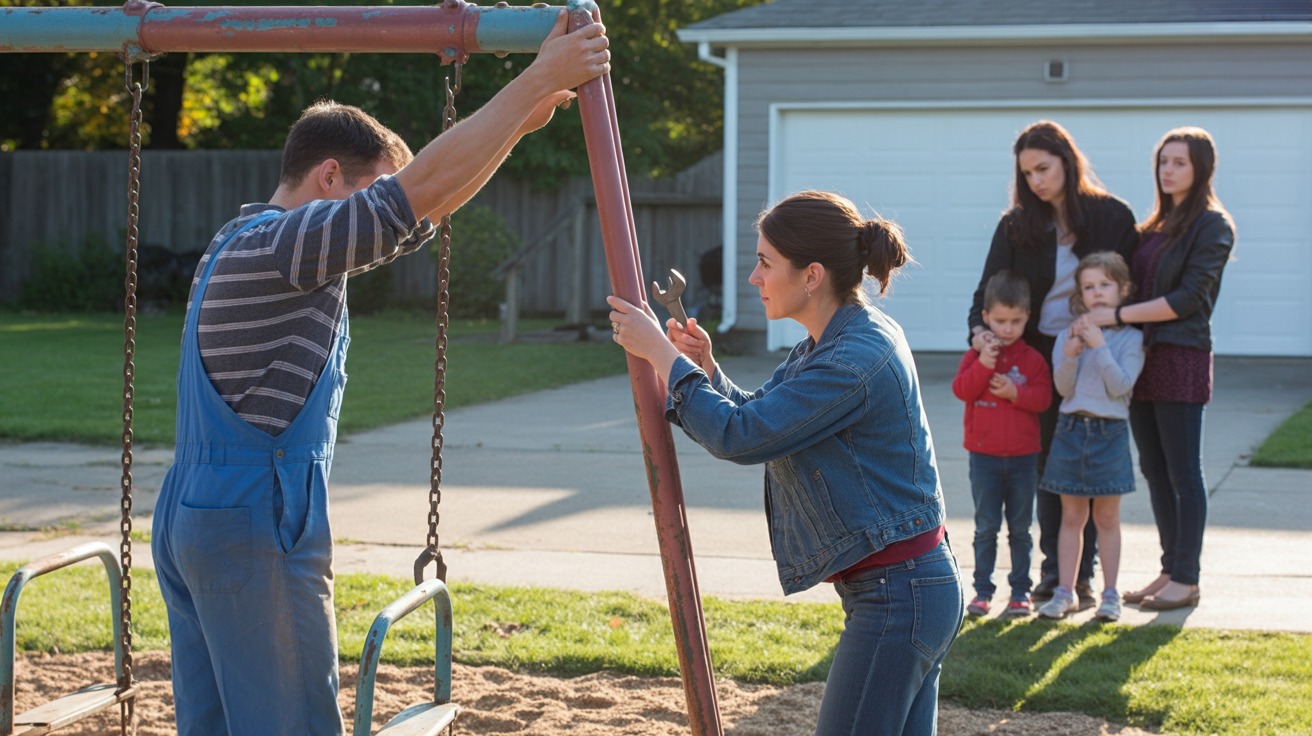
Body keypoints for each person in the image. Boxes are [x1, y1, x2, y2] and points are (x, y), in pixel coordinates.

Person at [150, 13, 610, 736]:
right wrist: (537, 77)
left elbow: (427, 201)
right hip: (253, 514)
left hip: (201, 507)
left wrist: (519, 120)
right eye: (369, 191)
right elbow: (413, 195)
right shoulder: (284, 246)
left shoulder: (245, 239)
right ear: (329, 175)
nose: (381, 214)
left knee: (216, 723)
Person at [607, 190, 963, 735]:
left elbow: (739, 436)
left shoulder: (852, 358)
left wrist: (664, 355)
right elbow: (764, 415)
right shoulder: (833, 340)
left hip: (900, 595)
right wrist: (705, 368)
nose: (754, 277)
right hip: (910, 587)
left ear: (812, 274)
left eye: (765, 262)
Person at [968, 120, 1138, 611]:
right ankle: (1055, 577)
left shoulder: (1111, 217)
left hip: (1094, 353)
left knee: (1087, 474)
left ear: (1067, 160)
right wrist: (977, 332)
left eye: (1044, 168)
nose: (1037, 180)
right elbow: (987, 289)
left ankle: (1082, 581)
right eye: (1028, 173)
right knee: (1048, 467)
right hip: (1039, 356)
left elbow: (1129, 287)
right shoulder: (1017, 223)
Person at [1084, 127, 1236, 611]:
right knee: (1155, 468)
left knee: (1183, 472)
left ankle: (1187, 578)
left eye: (1179, 162)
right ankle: (1170, 569)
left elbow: (1188, 299)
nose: (1168, 170)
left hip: (1182, 357)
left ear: (1201, 169)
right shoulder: (1153, 227)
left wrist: (1118, 316)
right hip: (1144, 359)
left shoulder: (1213, 225)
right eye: (1163, 162)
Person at [1035, 252, 1144, 622]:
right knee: (1071, 517)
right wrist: (1069, 354)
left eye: (1105, 285)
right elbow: (1064, 389)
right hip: (1070, 430)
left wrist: (1099, 346)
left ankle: (1110, 594)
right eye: (1089, 287)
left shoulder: (1131, 339)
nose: (1097, 293)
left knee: (1108, 519)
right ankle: (1066, 592)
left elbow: (1121, 386)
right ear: (1080, 295)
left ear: (1123, 290)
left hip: (1109, 431)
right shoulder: (1070, 334)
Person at [953, 270, 1051, 619]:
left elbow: (1043, 399)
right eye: (999, 321)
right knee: (986, 527)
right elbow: (962, 390)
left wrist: (1016, 393)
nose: (1007, 329)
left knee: (1021, 529)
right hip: (984, 458)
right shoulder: (976, 355)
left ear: (1027, 317)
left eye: (1015, 321)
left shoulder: (1033, 360)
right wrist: (983, 364)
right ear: (985, 319)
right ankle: (982, 592)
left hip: (1023, 458)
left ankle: (1020, 592)